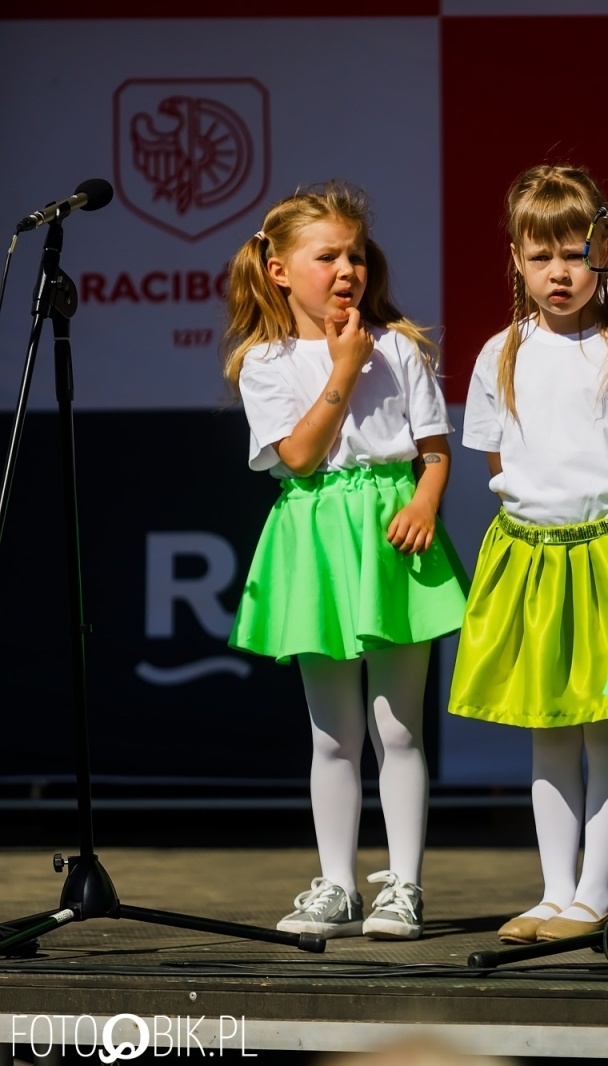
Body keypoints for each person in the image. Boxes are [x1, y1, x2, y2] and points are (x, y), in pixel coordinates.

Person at [224, 182, 467, 940]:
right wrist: (343, 368)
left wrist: (424, 502)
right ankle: (336, 884)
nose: (345, 270)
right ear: (278, 271)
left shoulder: (400, 347)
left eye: (355, 256)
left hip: (393, 540)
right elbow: (298, 457)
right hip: (317, 542)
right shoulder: (263, 361)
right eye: (326, 256)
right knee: (333, 736)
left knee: (399, 729)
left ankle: (404, 885)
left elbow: (434, 452)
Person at [447, 166, 608, 944]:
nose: (559, 273)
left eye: (575, 253)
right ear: (516, 261)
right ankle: (555, 890)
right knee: (549, 731)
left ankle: (596, 890)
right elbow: (499, 463)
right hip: (531, 556)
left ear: (606, 252)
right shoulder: (501, 352)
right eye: (541, 257)